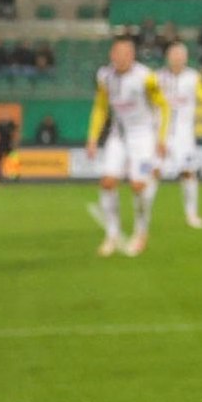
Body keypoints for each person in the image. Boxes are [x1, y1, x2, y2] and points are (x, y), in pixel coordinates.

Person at [85, 35, 168, 258]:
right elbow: (101, 107)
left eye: (126, 54)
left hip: (143, 137)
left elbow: (163, 106)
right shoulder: (104, 76)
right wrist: (92, 138)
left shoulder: (146, 78)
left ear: (132, 55)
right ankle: (112, 235)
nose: (121, 58)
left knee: (138, 186)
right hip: (118, 136)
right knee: (107, 182)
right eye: (117, 53)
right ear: (112, 55)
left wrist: (161, 138)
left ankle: (141, 232)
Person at [156, 40, 202, 233]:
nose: (177, 58)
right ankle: (144, 215)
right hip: (161, 134)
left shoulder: (193, 77)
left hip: (184, 136)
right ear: (168, 57)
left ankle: (191, 214)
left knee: (188, 172)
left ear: (185, 58)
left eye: (180, 54)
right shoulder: (157, 78)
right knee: (153, 173)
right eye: (174, 54)